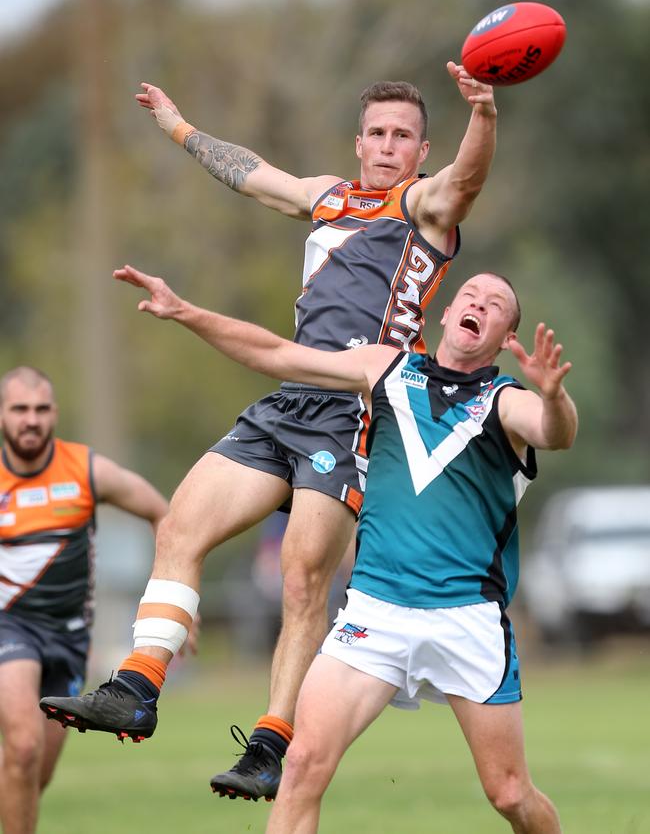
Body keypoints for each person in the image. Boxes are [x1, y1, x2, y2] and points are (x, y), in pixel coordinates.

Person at [41, 64, 498, 802]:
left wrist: (485, 115)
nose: (387, 146)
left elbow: (466, 180)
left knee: (300, 577)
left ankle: (270, 743)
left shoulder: (424, 208)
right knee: (181, 524)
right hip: (286, 402)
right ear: (359, 143)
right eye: (377, 133)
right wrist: (181, 128)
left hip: (355, 412)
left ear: (421, 150)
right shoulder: (328, 196)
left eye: (402, 136)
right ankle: (138, 684)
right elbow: (253, 176)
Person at [118, 266, 576, 832]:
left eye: (496, 303)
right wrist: (186, 312)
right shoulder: (386, 367)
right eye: (469, 294)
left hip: (465, 619)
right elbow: (277, 355)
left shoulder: (507, 401)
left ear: (506, 336)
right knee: (304, 764)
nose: (478, 303)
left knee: (509, 794)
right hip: (374, 615)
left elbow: (555, 431)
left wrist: (554, 396)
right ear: (446, 313)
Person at [0, 366, 169, 834]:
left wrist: (176, 601)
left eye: (39, 409)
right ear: (2, 416)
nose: (30, 420)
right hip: (9, 628)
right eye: (19, 409)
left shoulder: (85, 471)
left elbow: (162, 512)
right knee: (23, 747)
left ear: (54, 413)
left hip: (70, 638)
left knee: (34, 774)